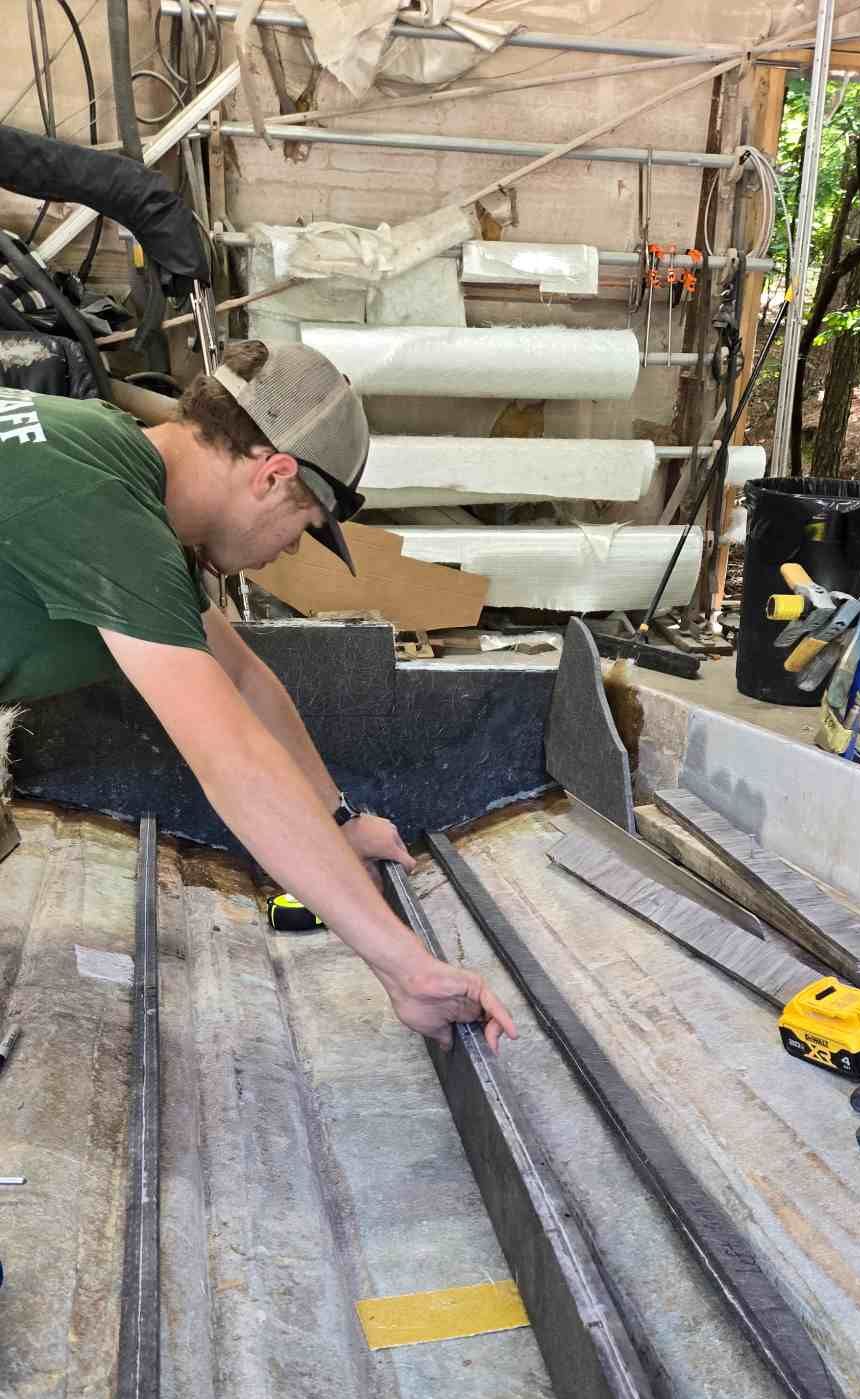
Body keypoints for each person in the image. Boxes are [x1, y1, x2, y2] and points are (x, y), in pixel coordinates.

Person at [0, 339, 515, 1052]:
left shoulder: (104, 450)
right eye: (304, 527)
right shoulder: (104, 509)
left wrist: (337, 822)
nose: (291, 551)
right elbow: (233, 762)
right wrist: (407, 970)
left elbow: (242, 678)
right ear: (274, 475)